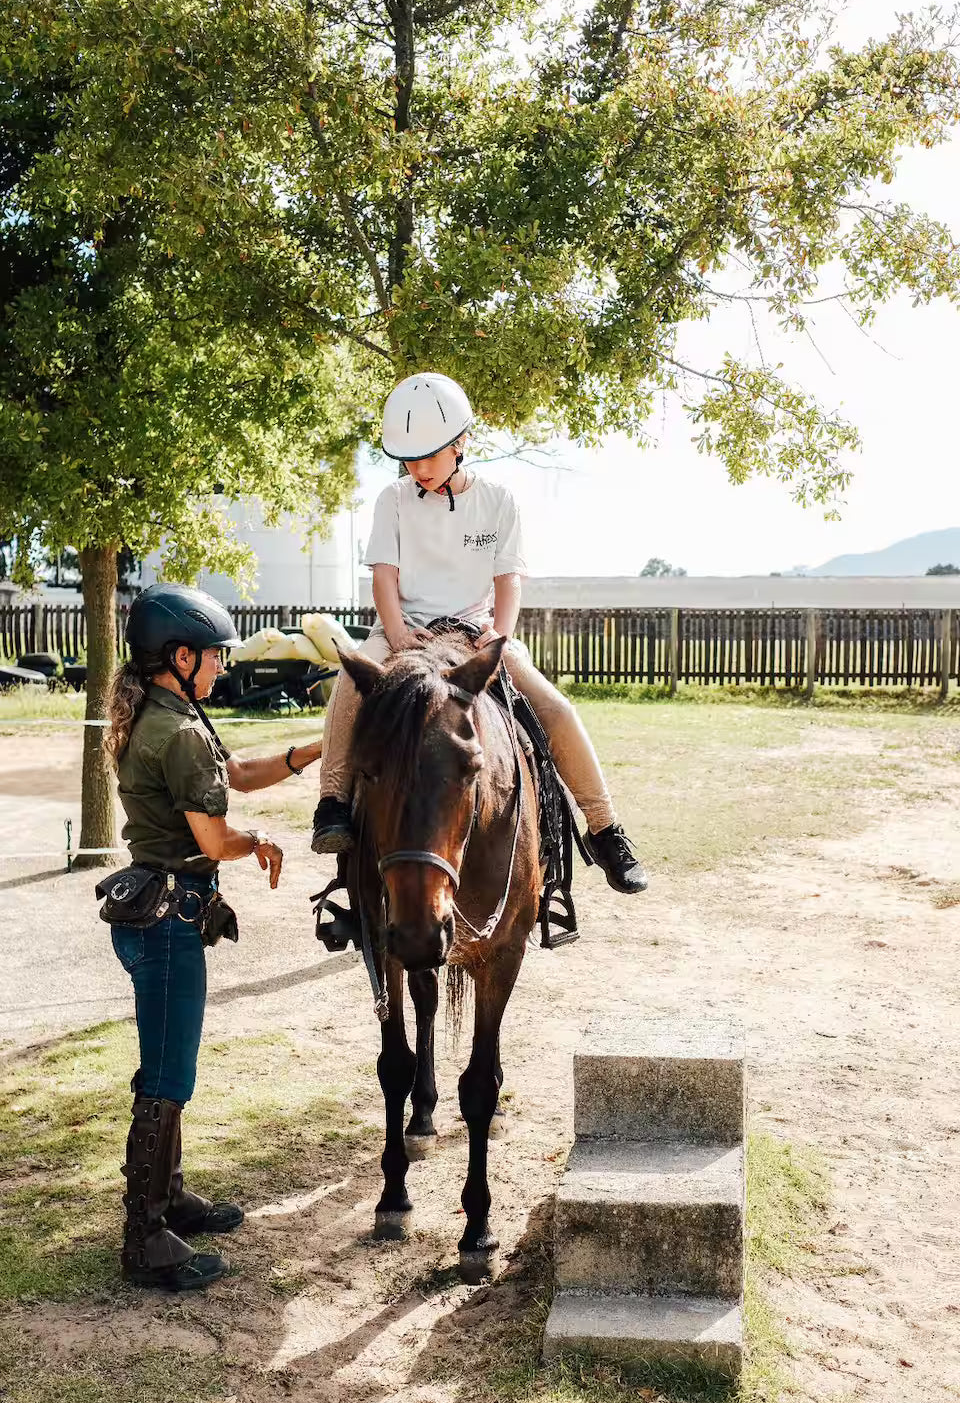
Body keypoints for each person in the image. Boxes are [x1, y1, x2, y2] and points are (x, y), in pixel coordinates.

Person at [311, 372, 647, 895]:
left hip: (476, 633)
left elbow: (508, 580)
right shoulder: (392, 499)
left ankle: (605, 829)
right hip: (406, 630)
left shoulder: (498, 501)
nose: (418, 469)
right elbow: (384, 577)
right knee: (350, 687)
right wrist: (396, 636)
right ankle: (332, 802)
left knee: (557, 710)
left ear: (461, 443)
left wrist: (499, 637)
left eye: (428, 456)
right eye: (409, 459)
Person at [104, 583, 323, 1293]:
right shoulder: (180, 732)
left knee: (168, 1068)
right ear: (180, 657)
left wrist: (318, 747)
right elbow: (215, 839)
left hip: (154, 913)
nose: (222, 665)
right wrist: (256, 840)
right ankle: (145, 1239)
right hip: (170, 921)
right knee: (166, 1078)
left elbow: (236, 774)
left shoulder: (165, 715)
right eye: (213, 655)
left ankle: (169, 1201)